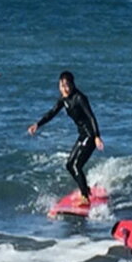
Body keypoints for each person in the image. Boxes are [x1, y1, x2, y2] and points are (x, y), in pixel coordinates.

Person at [28, 71, 104, 204]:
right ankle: (85, 188)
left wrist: (97, 136)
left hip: (90, 135)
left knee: (76, 166)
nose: (64, 88)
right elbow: (51, 113)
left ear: (72, 85)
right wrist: (37, 124)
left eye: (67, 85)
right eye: (61, 86)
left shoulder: (80, 98)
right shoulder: (63, 99)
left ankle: (85, 197)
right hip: (82, 135)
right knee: (69, 165)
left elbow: (91, 117)